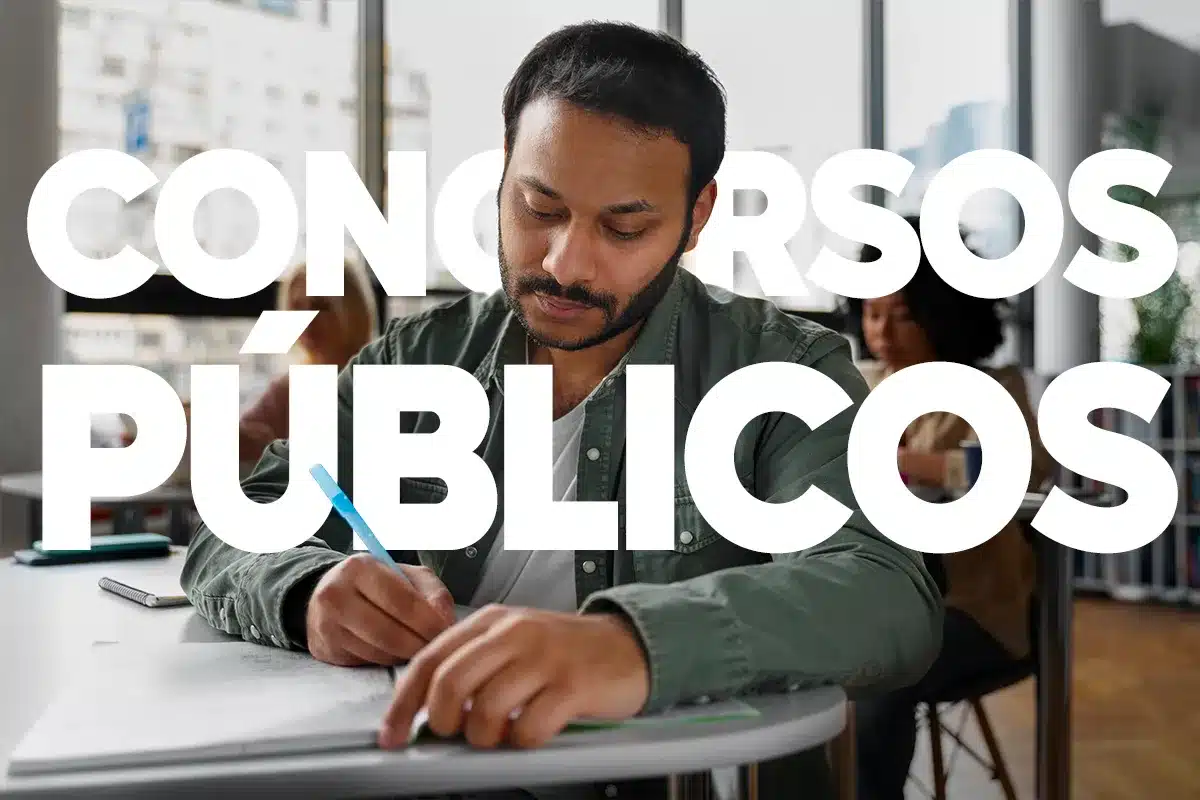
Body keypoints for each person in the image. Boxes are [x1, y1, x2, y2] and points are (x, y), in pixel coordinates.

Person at [182, 22, 942, 799]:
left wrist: (632, 646)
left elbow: (886, 594)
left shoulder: (779, 367)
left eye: (625, 226)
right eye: (539, 208)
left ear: (697, 215)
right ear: (503, 173)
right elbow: (238, 524)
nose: (564, 264)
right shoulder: (417, 357)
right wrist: (309, 590)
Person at [844, 216, 1055, 800]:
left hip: (975, 613)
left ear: (945, 312)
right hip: (876, 603)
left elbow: (1022, 472)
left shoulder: (995, 390)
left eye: (902, 315)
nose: (882, 332)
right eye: (870, 312)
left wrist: (907, 460)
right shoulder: (862, 385)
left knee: (877, 674)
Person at [237, 258, 378, 464]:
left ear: (353, 310)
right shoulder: (287, 388)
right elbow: (246, 437)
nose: (306, 318)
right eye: (297, 307)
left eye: (320, 305)